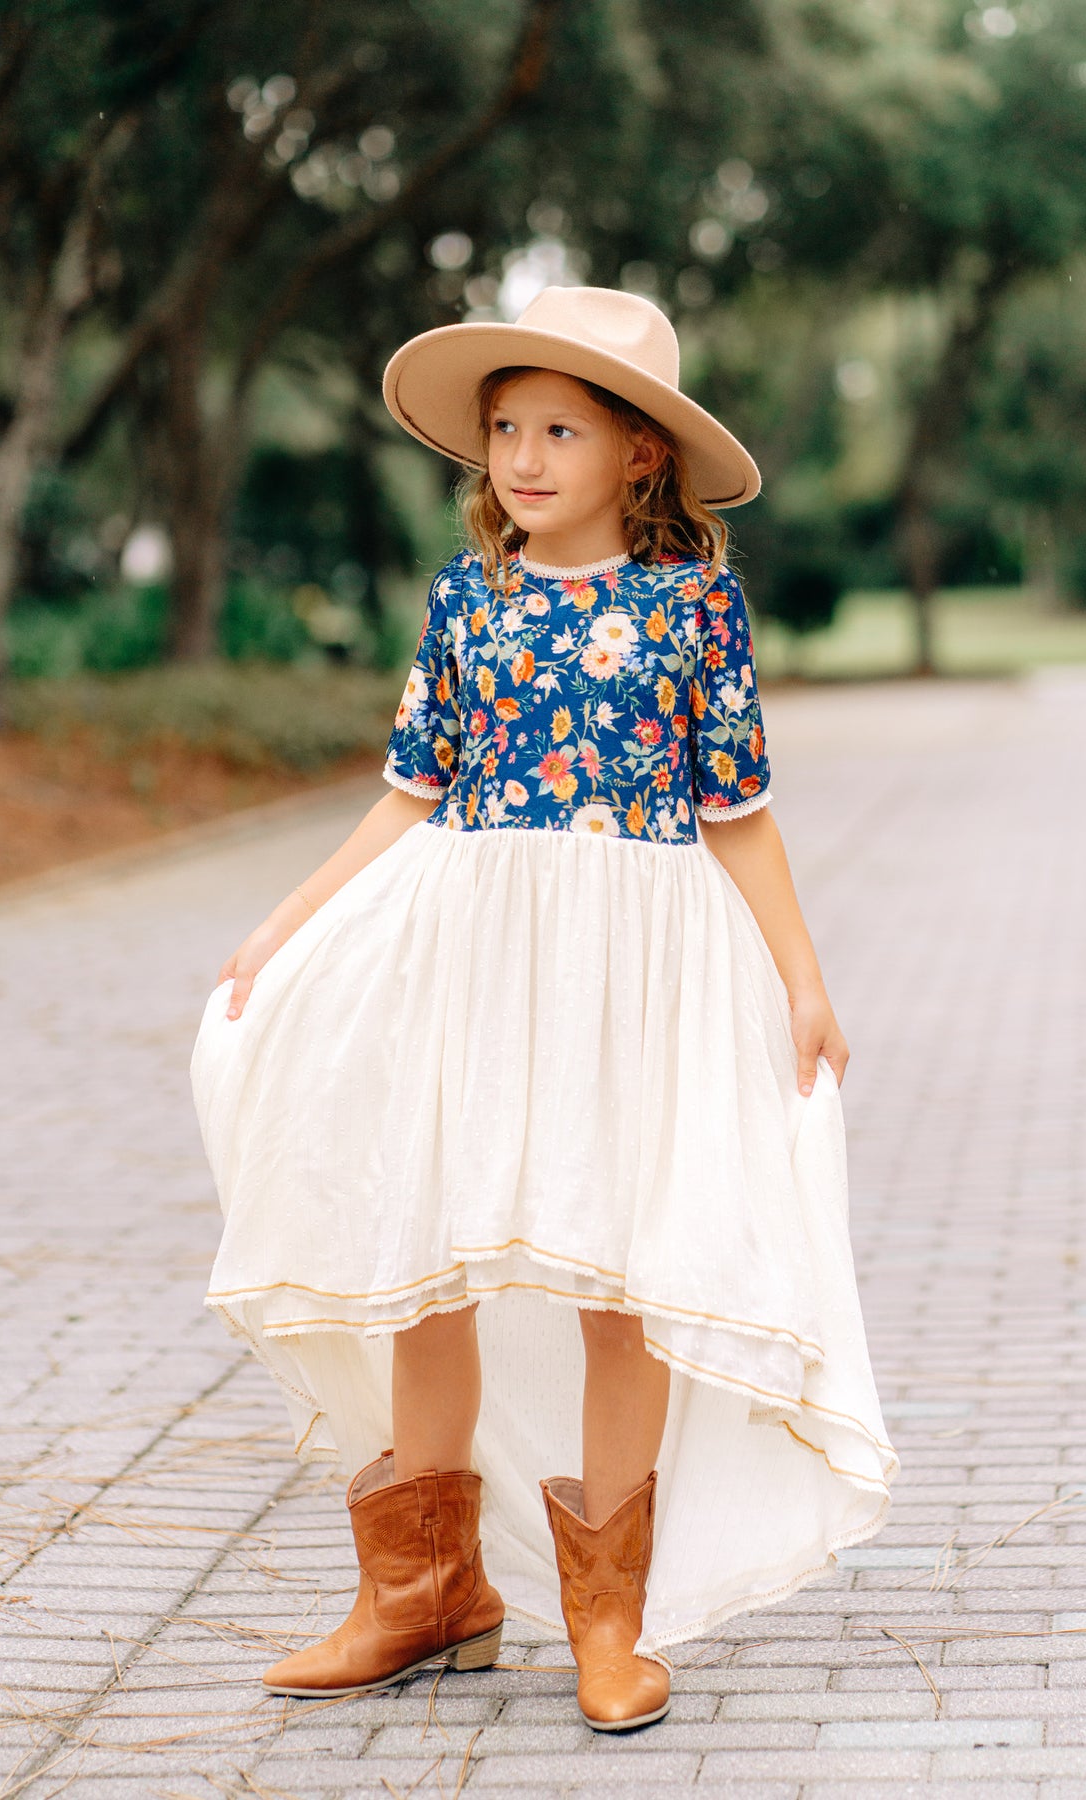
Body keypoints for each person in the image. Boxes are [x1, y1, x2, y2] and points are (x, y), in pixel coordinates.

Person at [191, 285, 897, 1733]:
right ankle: (422, 1590)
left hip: (631, 955)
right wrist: (290, 915)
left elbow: (740, 813)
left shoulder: (695, 607)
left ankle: (606, 1616)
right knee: (426, 1247)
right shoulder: (472, 597)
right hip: (469, 948)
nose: (522, 455)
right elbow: (413, 789)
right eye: (506, 427)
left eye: (561, 428)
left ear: (641, 454)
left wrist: (804, 983)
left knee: (613, 1276)